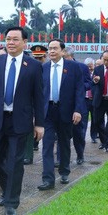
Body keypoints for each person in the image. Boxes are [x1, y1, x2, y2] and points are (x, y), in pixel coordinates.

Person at [0, 27, 45, 215]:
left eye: (15, 39)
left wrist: (39, 123)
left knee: (15, 162)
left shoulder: (33, 66)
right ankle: (7, 188)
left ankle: (11, 202)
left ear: (25, 42)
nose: (11, 43)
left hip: (20, 121)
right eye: (8, 39)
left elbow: (39, 97)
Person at [38, 39, 85, 190]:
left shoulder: (73, 67)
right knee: (47, 145)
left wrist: (78, 110)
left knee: (64, 143)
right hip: (48, 111)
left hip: (66, 111)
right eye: (50, 49)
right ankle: (48, 179)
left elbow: (79, 90)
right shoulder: (43, 68)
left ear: (62, 51)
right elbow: (39, 92)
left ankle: (64, 171)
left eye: (55, 48)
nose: (51, 51)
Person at [63, 46, 91, 165]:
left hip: (79, 105)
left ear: (71, 56)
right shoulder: (58, 66)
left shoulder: (82, 67)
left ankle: (80, 154)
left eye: (65, 57)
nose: (64, 59)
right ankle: (61, 158)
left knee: (78, 133)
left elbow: (88, 83)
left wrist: (78, 88)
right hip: (62, 105)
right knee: (62, 133)